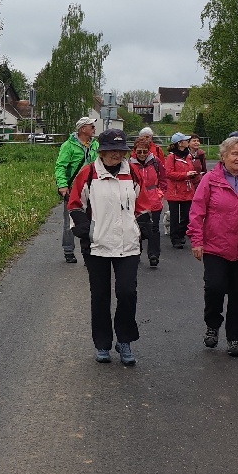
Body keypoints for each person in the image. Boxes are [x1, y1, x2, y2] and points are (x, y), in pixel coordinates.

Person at [67, 128, 142, 366]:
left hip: (128, 244)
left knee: (127, 293)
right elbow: (75, 203)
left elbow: (141, 202)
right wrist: (85, 230)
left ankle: (125, 340)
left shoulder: (132, 172)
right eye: (111, 150)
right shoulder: (89, 173)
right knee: (100, 295)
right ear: (101, 151)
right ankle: (102, 343)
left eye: (121, 150)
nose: (116, 155)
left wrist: (142, 225)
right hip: (97, 245)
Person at [189, 136, 238, 357]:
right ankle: (212, 325)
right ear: (223, 156)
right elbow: (197, 210)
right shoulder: (211, 180)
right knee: (215, 288)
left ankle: (234, 338)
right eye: (234, 154)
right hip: (215, 246)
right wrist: (196, 240)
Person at [55, 117, 98, 263]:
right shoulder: (68, 146)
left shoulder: (95, 145)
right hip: (74, 188)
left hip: (92, 187)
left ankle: (89, 251)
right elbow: (60, 166)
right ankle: (68, 250)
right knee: (71, 220)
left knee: (92, 219)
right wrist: (62, 185)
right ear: (82, 129)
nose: (94, 128)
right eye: (91, 126)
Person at [129, 135, 165, 267]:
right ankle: (136, 253)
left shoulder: (155, 162)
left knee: (154, 228)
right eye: (139, 151)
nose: (142, 154)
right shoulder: (129, 164)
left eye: (145, 151)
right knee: (136, 228)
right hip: (137, 201)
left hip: (154, 199)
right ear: (135, 150)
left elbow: (163, 179)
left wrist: (160, 193)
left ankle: (154, 254)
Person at [164, 132, 200, 249]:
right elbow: (169, 174)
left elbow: (188, 170)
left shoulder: (188, 156)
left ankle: (180, 234)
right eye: (185, 140)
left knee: (188, 215)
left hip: (187, 190)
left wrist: (192, 175)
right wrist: (186, 174)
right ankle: (175, 239)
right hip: (174, 191)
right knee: (174, 217)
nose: (187, 141)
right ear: (180, 143)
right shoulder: (171, 157)